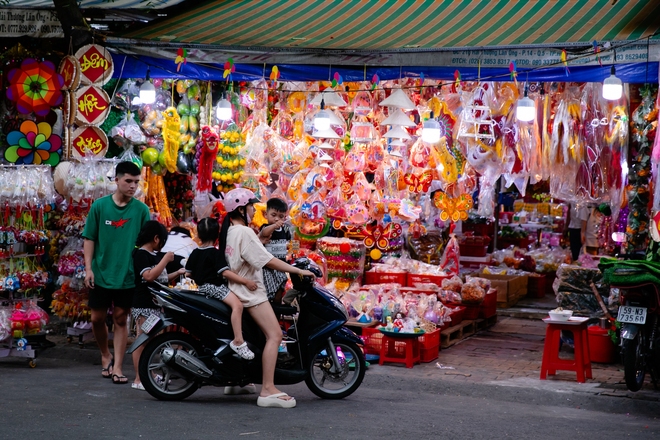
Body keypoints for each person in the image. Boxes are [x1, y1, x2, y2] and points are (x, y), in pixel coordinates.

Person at [218, 188, 314, 408]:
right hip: (251, 294)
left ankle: (238, 381)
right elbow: (268, 260)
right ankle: (268, 389)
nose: (253, 210)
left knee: (257, 338)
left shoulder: (232, 231)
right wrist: (298, 271)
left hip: (237, 290)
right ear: (241, 209)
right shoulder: (244, 232)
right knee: (274, 336)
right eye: (251, 206)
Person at [83, 161, 150, 385]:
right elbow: (89, 238)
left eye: (136, 182)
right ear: (117, 180)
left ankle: (118, 367)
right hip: (101, 272)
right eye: (128, 181)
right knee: (97, 318)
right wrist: (88, 268)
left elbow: (146, 244)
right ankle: (105, 354)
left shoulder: (141, 210)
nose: (133, 186)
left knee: (121, 320)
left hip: (128, 275)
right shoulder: (100, 207)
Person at [185, 217, 256, 360]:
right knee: (237, 306)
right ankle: (238, 340)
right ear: (217, 235)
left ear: (198, 234)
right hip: (213, 287)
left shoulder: (195, 253)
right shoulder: (214, 253)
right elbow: (225, 272)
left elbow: (188, 273)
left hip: (201, 289)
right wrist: (246, 281)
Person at [131, 220, 186, 390]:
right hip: (144, 305)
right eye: (161, 240)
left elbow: (159, 279)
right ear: (156, 238)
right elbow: (148, 276)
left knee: (149, 341)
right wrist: (166, 260)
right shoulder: (140, 254)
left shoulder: (152, 256)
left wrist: (177, 273)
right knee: (142, 340)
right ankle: (139, 379)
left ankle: (147, 375)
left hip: (154, 305)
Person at [258, 197, 291, 302]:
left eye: (281, 216)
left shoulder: (285, 229)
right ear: (266, 215)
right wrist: (274, 226)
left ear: (285, 217)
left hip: (281, 265)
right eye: (273, 215)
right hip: (268, 267)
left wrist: (294, 251)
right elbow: (264, 233)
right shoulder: (266, 227)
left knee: (280, 288)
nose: (277, 219)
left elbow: (291, 241)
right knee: (269, 291)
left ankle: (277, 311)